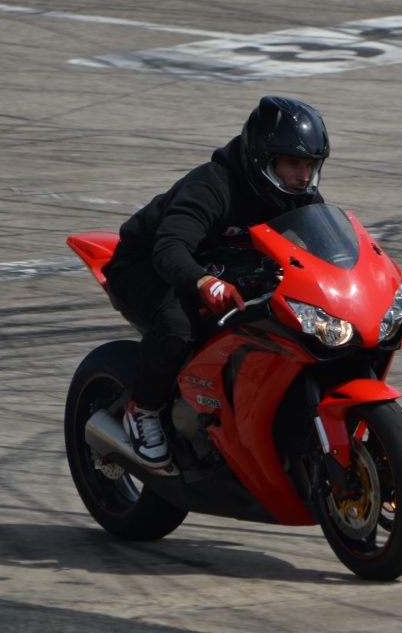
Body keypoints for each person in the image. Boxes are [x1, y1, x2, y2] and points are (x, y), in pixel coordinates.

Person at [103, 95, 330, 468]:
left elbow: (324, 242)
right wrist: (202, 281)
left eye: (311, 165)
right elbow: (171, 247)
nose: (304, 175)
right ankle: (142, 409)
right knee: (179, 325)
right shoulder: (213, 186)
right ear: (263, 159)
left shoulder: (296, 193)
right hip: (148, 265)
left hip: (227, 268)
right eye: (293, 163)